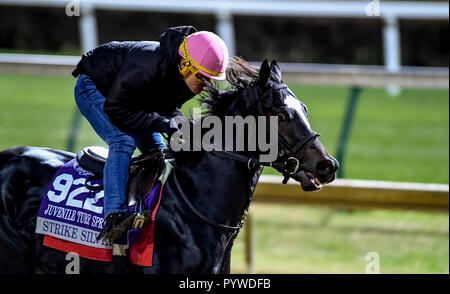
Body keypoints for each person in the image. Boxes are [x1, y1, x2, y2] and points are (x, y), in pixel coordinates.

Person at [72, 25, 229, 240]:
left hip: (130, 97)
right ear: (185, 64)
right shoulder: (147, 63)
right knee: (122, 141)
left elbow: (164, 107)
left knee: (158, 152)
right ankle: (114, 218)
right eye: (203, 77)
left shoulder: (187, 80)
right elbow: (117, 109)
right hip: (95, 87)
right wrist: (164, 124)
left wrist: (185, 128)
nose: (207, 84)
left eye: (212, 79)